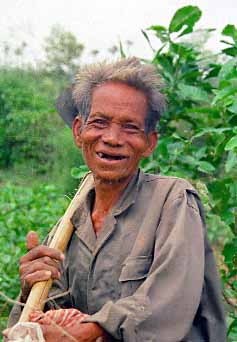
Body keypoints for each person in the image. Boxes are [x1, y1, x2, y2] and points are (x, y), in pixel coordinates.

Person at [7, 58, 226, 341]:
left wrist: (94, 327)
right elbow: (46, 320)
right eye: (99, 122)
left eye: (130, 127)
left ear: (150, 143)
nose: (112, 138)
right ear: (78, 131)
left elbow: (172, 299)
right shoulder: (68, 228)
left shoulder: (173, 200)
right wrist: (32, 289)